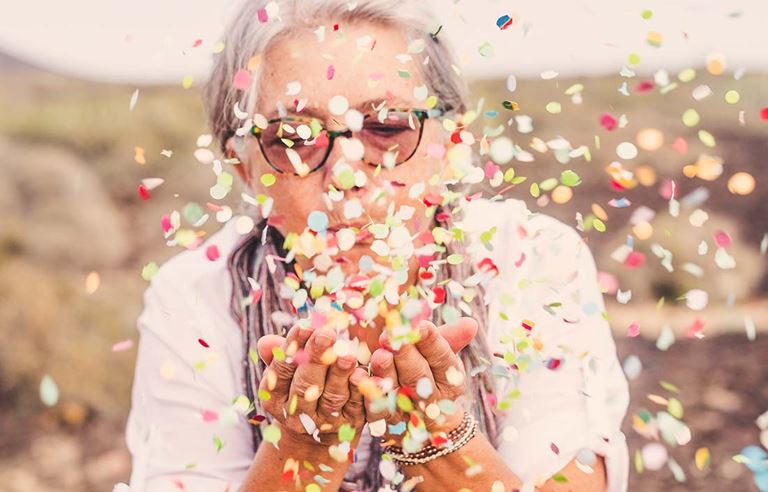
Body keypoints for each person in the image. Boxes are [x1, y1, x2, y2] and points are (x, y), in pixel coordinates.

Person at [125, 1, 629, 491]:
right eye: (295, 137)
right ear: (245, 168)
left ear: (449, 148)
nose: (345, 175)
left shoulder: (533, 257)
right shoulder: (195, 298)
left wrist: (439, 440)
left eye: (388, 126)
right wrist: (301, 449)